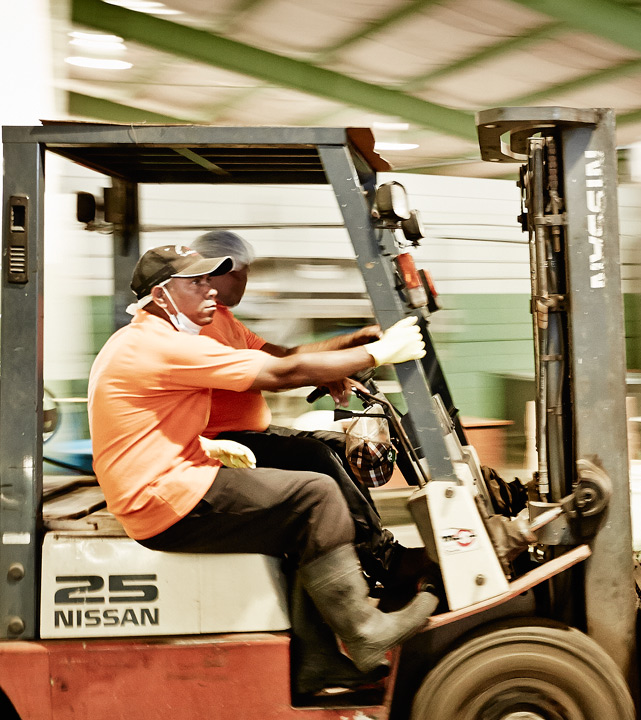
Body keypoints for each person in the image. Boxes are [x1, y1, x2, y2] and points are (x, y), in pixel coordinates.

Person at [87, 243, 433, 692]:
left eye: (210, 279)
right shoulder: (159, 345)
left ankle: (316, 659)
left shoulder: (153, 341)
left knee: (301, 495)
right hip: (164, 499)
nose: (210, 289)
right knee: (315, 493)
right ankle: (365, 630)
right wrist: (379, 354)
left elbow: (150, 422)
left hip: (173, 477)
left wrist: (211, 451)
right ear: (160, 295)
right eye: (196, 282)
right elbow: (281, 373)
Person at [187, 229, 406, 573]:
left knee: (340, 447)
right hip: (223, 443)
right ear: (225, 270)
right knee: (314, 455)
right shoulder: (203, 326)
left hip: (249, 432)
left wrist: (353, 341)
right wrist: (368, 354)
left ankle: (370, 544)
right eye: (244, 273)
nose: (246, 281)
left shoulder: (224, 319)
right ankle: (379, 557)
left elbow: (285, 354)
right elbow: (280, 372)